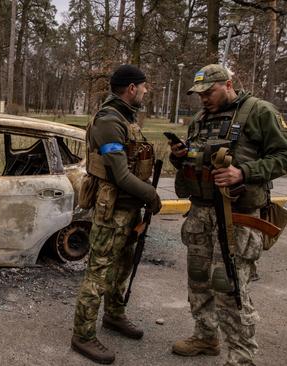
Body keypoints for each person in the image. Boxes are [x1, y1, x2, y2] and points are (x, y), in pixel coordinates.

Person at [169, 64, 287, 365]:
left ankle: (241, 356)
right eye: (198, 94)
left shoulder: (259, 112)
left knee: (229, 286)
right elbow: (196, 159)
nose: (203, 99)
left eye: (209, 92)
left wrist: (244, 172)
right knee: (198, 279)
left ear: (228, 85)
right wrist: (180, 157)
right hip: (200, 213)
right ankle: (206, 336)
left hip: (236, 215)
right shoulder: (200, 119)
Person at [71, 64, 162, 364]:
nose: (146, 91)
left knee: (122, 266)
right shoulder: (109, 120)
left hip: (129, 208)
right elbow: (121, 176)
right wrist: (151, 195)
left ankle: (114, 315)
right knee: (98, 273)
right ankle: (82, 335)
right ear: (131, 88)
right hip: (113, 211)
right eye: (144, 87)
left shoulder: (127, 117)